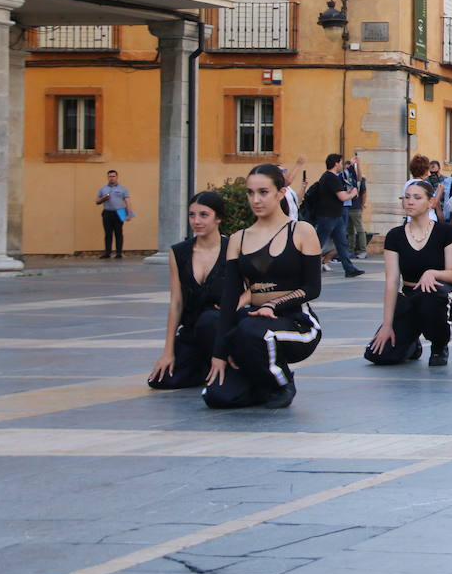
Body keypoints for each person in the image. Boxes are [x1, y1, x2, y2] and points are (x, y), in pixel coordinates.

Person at [204, 164, 322, 409]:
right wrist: (219, 353)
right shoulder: (238, 239)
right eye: (250, 193)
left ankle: (282, 382)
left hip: (296, 323)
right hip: (253, 323)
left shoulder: (301, 231)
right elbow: (229, 298)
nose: (255, 200)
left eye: (263, 192)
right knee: (217, 396)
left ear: (280, 192)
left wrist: (272, 304)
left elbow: (312, 288)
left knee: (252, 329)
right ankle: (262, 384)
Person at [365, 179, 452, 367]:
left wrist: (432, 273)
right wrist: (387, 324)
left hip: (444, 295)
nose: (410, 202)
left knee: (430, 296)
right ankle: (412, 343)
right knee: (378, 354)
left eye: (417, 198)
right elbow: (392, 282)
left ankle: (439, 344)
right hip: (411, 298)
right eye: (407, 197)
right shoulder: (395, 235)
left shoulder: (446, 231)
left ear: (431, 202)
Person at [148, 191, 229, 390]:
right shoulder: (179, 252)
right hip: (192, 332)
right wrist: (168, 351)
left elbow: (251, 290)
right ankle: (203, 367)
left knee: (208, 320)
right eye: (192, 215)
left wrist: (235, 306)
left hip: (219, 330)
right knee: (161, 380)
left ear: (218, 218)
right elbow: (176, 302)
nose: (196, 221)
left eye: (203, 215)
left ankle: (224, 363)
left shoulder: (234, 248)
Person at [311, 154, 364, 278]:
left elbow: (339, 193)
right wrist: (353, 193)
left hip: (335, 216)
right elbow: (343, 197)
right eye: (340, 162)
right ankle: (306, 267)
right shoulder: (330, 178)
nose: (341, 165)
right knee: (318, 243)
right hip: (328, 216)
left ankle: (349, 269)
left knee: (342, 243)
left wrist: (348, 192)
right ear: (336, 163)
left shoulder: (328, 177)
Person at [95, 169, 133, 259]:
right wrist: (103, 199)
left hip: (119, 213)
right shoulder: (103, 189)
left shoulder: (123, 189)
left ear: (117, 177)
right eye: (110, 176)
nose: (112, 178)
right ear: (107, 177)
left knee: (118, 233)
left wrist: (129, 214)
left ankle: (119, 253)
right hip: (107, 213)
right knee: (108, 233)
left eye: (113, 176)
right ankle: (107, 252)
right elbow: (97, 201)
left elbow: (127, 202)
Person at [346, 157, 369, 258]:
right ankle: (351, 250)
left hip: (356, 207)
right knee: (350, 230)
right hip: (348, 207)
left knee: (359, 229)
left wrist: (363, 204)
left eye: (350, 167)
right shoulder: (345, 178)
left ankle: (363, 250)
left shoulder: (359, 180)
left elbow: (364, 193)